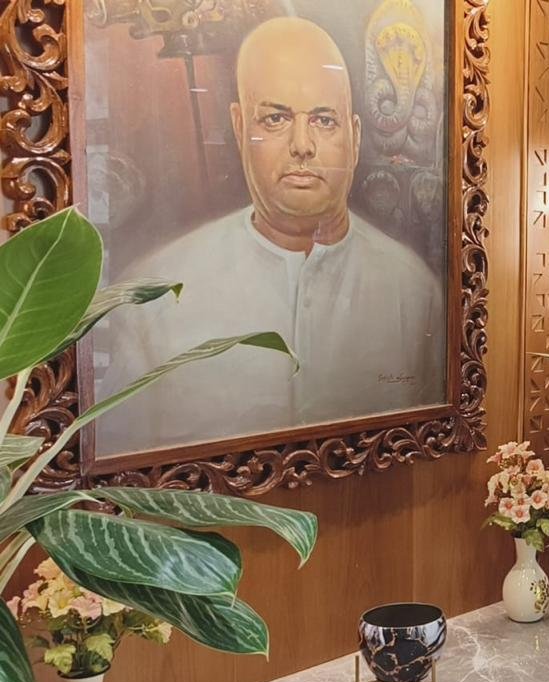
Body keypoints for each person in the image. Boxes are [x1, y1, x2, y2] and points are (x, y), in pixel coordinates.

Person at [97, 17, 444, 456]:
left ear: (355, 137)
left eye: (324, 120)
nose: (302, 145)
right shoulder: (155, 299)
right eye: (276, 118)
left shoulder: (413, 291)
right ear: (240, 127)